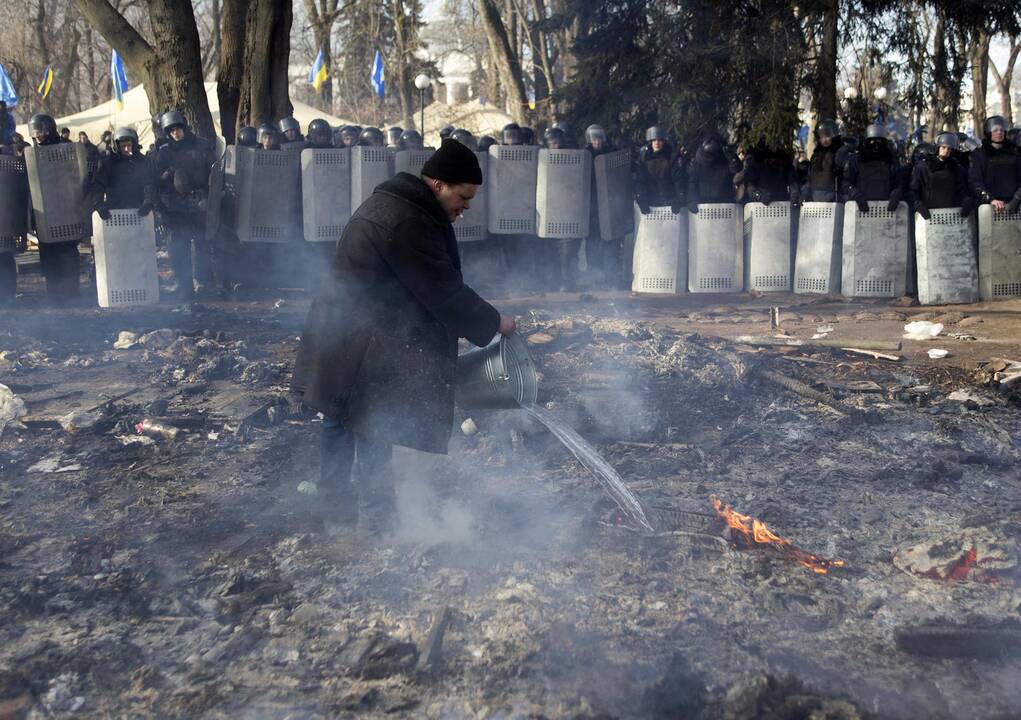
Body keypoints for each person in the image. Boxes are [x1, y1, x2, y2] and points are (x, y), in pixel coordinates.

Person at [292, 138, 516, 534]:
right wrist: (494, 321)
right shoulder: (407, 220)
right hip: (354, 338)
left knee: (361, 419)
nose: (466, 207)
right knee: (353, 422)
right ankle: (355, 517)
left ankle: (362, 513)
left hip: (352, 334)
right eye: (463, 196)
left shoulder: (399, 207)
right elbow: (440, 288)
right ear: (438, 185)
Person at [153, 110, 216, 301]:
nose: (175, 133)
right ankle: (184, 284)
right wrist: (161, 207)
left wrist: (212, 196)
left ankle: (203, 284)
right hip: (176, 208)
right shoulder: (163, 153)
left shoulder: (202, 146)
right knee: (178, 248)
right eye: (171, 131)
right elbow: (154, 181)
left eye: (177, 128)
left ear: (183, 127)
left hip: (200, 203)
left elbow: (215, 172)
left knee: (202, 246)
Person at [27, 114, 82, 301]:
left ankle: (72, 293)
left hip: (66, 210)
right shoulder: (32, 154)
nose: (38, 135)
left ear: (50, 129)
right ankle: (55, 295)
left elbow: (77, 174)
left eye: (41, 130)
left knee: (67, 253)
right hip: (45, 214)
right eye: (35, 131)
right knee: (49, 255)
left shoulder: (65, 148)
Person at [583, 124, 626, 287]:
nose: (597, 142)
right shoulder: (584, 155)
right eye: (594, 139)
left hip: (609, 203)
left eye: (599, 138)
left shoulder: (611, 154)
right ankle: (594, 276)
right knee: (592, 242)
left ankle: (610, 277)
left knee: (610, 240)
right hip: (591, 206)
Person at [91, 127, 156, 218]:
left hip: (138, 211)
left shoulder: (142, 161)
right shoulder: (109, 163)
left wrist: (148, 201)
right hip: (115, 212)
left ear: (133, 145)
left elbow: (149, 183)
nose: (126, 149)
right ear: (116, 146)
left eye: (128, 145)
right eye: (122, 146)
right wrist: (99, 204)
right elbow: (99, 184)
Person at [843, 123, 905, 213]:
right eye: (872, 142)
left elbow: (899, 181)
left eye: (879, 142)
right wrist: (854, 193)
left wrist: (897, 193)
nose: (876, 146)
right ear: (866, 143)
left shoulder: (890, 160)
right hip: (860, 211)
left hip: (886, 211)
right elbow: (845, 181)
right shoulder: (857, 159)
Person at [911, 132, 972, 219]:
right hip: (929, 215)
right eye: (943, 147)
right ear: (938, 147)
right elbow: (914, 189)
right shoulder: (923, 166)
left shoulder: (956, 168)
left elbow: (962, 189)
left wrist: (966, 201)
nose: (946, 150)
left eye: (949, 148)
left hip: (951, 214)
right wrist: (918, 204)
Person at [969, 115, 1021, 215]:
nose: (999, 132)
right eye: (995, 130)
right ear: (988, 132)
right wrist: (990, 199)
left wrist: (1016, 199)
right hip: (988, 207)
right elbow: (975, 182)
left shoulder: (1014, 154)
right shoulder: (979, 155)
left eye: (1002, 130)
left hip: (1015, 207)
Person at [634, 125, 686, 213]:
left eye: (660, 140)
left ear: (664, 141)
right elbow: (640, 181)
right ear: (650, 142)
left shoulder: (671, 156)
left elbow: (678, 180)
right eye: (654, 140)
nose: (657, 143)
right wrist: (641, 198)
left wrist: (678, 199)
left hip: (669, 203)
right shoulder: (644, 158)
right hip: (651, 204)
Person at [686, 135, 740, 211]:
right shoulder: (698, 164)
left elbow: (736, 168)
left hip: (724, 205)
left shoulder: (724, 160)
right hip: (704, 207)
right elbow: (692, 183)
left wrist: (732, 157)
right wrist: (692, 201)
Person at [801, 119, 849, 202]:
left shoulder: (840, 151)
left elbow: (846, 177)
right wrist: (804, 192)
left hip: (835, 199)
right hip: (815, 200)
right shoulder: (816, 155)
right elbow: (810, 177)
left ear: (833, 135)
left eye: (827, 136)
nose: (824, 140)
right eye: (821, 137)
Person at [743, 137, 798, 206]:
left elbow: (792, 180)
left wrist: (794, 194)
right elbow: (750, 185)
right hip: (761, 206)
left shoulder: (783, 159)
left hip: (782, 203)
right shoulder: (757, 160)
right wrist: (758, 196)